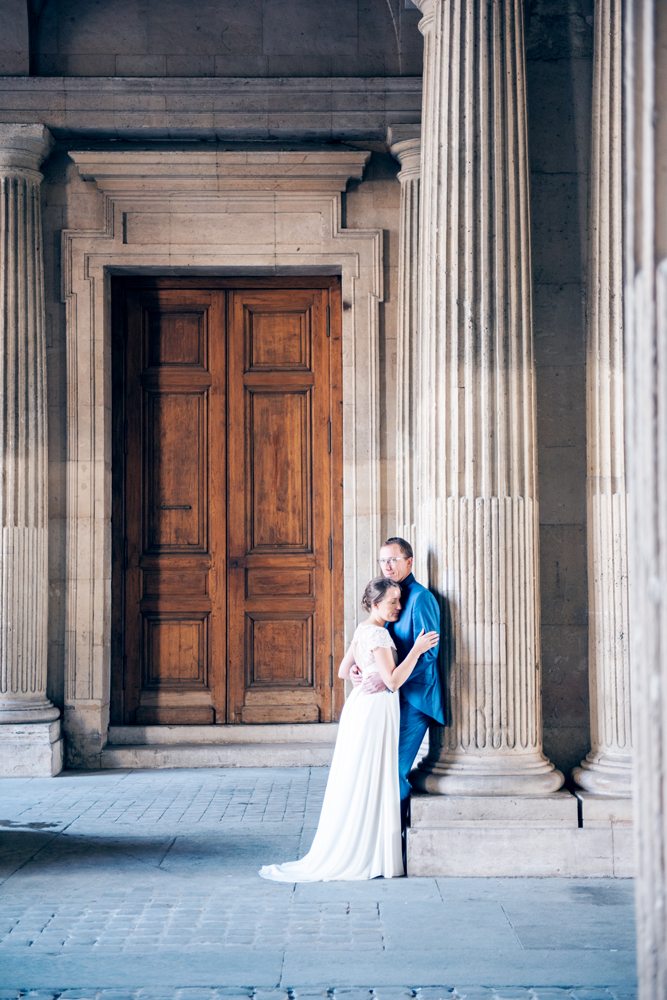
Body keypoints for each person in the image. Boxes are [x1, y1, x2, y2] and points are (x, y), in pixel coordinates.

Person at [259, 577, 439, 882]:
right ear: (374, 604)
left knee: (363, 774)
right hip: (374, 708)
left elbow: (344, 670)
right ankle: (368, 849)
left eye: (399, 600)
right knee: (371, 774)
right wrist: (417, 650)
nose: (398, 607)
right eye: (392, 601)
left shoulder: (362, 629)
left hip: (362, 706)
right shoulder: (379, 635)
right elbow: (393, 681)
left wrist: (359, 671)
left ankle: (364, 842)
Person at [351, 537, 445, 828]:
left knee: (393, 770)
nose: (388, 566)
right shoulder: (389, 596)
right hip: (390, 699)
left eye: (394, 559)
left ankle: (398, 836)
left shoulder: (420, 598)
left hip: (414, 699)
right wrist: (361, 667)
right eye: (383, 560)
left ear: (409, 562)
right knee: (377, 768)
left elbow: (429, 654)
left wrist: (387, 679)